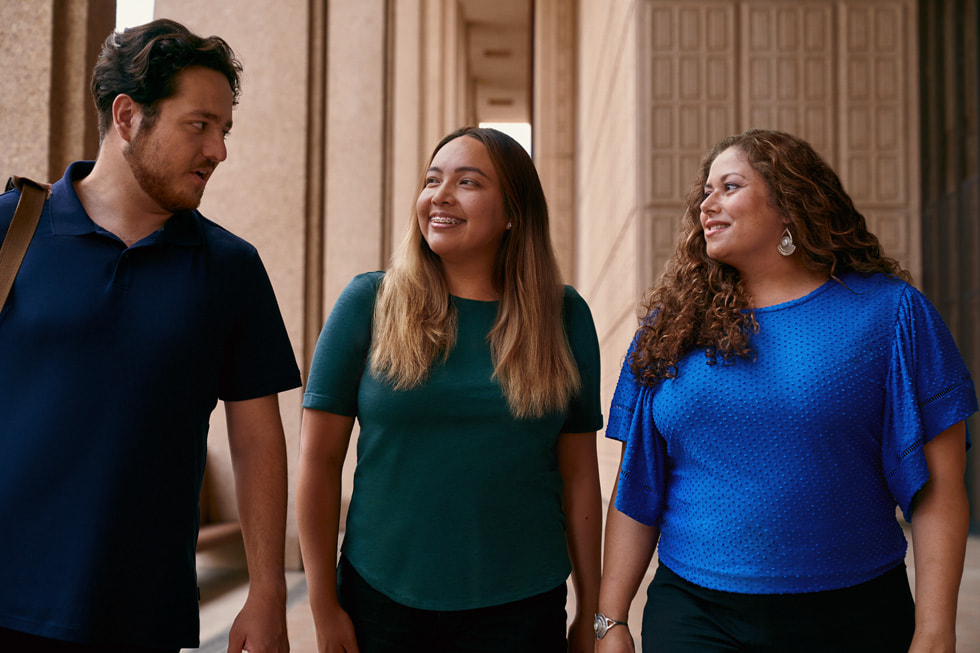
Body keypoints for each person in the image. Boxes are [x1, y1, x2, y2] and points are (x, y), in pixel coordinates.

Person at [595, 128, 977, 653]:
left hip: (851, 616)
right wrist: (609, 621)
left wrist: (935, 632)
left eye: (729, 186)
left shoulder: (892, 315)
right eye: (705, 191)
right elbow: (638, 482)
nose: (707, 203)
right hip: (695, 616)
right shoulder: (670, 328)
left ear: (790, 203)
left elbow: (938, 485)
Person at [0, 19, 300, 653]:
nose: (219, 150)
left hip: (142, 615)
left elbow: (254, 439)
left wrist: (268, 592)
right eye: (200, 125)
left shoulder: (230, 268)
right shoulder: (8, 232)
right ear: (128, 116)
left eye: (224, 130)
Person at [297, 126, 603, 653]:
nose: (440, 195)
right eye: (432, 180)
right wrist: (324, 607)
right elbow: (318, 462)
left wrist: (594, 612)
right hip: (382, 601)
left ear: (513, 212)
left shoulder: (564, 315)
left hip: (523, 607)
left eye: (468, 182)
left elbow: (579, 474)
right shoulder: (368, 303)